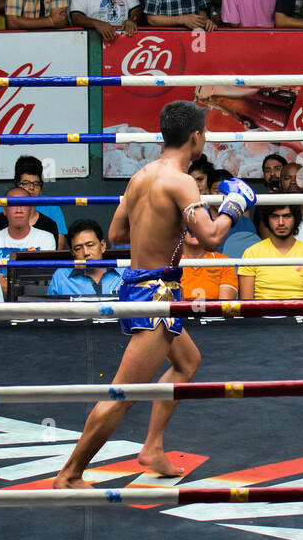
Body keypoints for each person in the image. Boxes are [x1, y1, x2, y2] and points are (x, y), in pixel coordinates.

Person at [52, 102, 253, 485]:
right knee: (123, 392)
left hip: (142, 285)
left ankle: (153, 447)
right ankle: (70, 472)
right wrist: (233, 207)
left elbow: (116, 236)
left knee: (187, 362)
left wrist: (165, 227)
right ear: (196, 137)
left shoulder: (140, 176)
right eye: (205, 133)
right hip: (156, 295)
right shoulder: (182, 182)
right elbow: (211, 237)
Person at [0, 185, 58, 295]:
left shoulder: (46, 238)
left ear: (30, 209)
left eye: (23, 204)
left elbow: (43, 282)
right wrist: (27, 285)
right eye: (13, 205)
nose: (19, 210)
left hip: (33, 304)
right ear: (4, 210)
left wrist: (4, 283)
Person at [0, 154, 68, 244]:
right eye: (26, 183)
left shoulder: (52, 206)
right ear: (16, 186)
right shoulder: (0, 205)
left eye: (36, 184)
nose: (31, 187)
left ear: (41, 189)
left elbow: (58, 248)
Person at [46, 218, 121, 296]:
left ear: (102, 246)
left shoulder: (123, 274)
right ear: (72, 253)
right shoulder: (62, 277)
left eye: (90, 245)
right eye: (78, 248)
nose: (86, 252)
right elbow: (50, 307)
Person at [180, 227, 240, 301]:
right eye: (188, 225)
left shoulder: (224, 262)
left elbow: (225, 306)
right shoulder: (169, 263)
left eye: (198, 225)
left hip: (213, 312)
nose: (193, 229)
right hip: (179, 312)